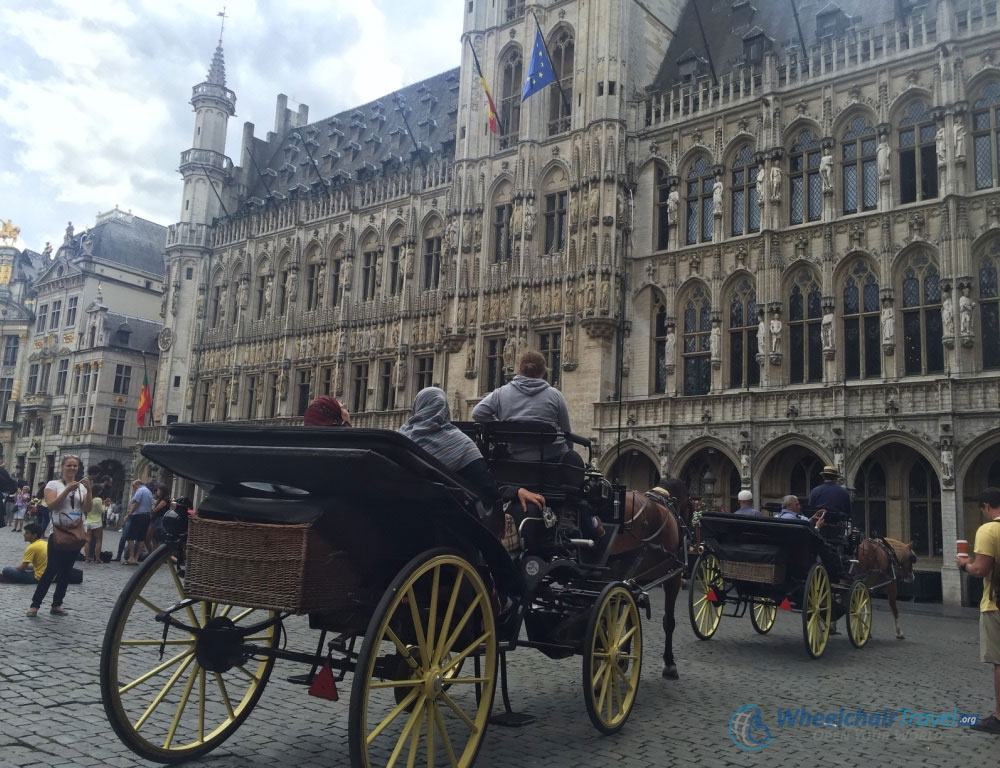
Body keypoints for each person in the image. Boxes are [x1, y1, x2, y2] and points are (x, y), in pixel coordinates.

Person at [400, 387, 546, 534]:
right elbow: (486, 489)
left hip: (404, 519)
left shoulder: (400, 441)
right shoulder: (460, 444)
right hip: (448, 524)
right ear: (445, 410)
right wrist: (511, 495)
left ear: (416, 408)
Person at [472, 349, 579, 464]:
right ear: (543, 370)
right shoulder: (555, 395)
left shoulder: (501, 393)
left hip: (517, 459)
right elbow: (567, 432)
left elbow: (477, 413)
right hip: (553, 461)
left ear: (520, 368)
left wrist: (500, 426)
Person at [958, 487, 1000, 734]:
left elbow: (981, 569)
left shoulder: (989, 530)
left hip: (996, 603)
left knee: (999, 661)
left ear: (986, 506)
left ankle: (998, 718)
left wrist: (964, 565)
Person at [28, 455, 91, 617]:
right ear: (62, 467)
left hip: (76, 532)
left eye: (75, 466)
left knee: (66, 571)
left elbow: (87, 509)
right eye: (69, 465)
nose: (72, 469)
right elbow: (52, 505)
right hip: (58, 531)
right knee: (51, 569)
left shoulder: (81, 488)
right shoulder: (53, 484)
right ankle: (35, 604)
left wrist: (89, 490)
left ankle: (57, 604)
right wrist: (67, 490)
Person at [124, 479, 154, 565]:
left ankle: (131, 557)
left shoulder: (140, 490)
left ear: (137, 484)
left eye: (134, 486)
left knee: (130, 537)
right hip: (146, 516)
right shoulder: (149, 492)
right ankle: (136, 558)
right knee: (141, 538)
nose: (133, 489)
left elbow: (136, 504)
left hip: (138, 516)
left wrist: (128, 515)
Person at [84, 482, 105, 563]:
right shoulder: (98, 500)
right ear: (99, 491)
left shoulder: (88, 498)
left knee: (87, 540)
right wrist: (104, 505)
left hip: (88, 521)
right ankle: (97, 558)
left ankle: (87, 557)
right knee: (98, 541)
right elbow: (101, 511)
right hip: (97, 522)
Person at [146, 485, 170, 555]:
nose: (157, 492)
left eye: (158, 490)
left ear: (162, 491)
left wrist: (151, 508)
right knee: (153, 539)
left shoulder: (166, 499)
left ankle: (154, 555)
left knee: (154, 538)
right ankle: (152, 554)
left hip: (159, 520)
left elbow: (156, 509)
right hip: (156, 519)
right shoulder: (161, 499)